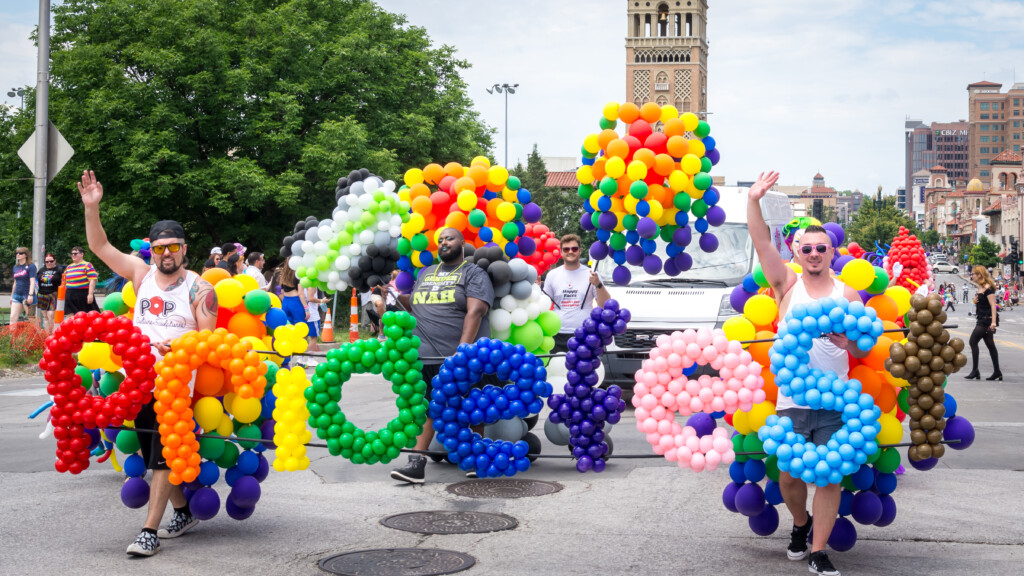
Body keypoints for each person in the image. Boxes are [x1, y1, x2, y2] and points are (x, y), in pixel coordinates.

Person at [77, 170, 218, 557]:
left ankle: (148, 532)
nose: (166, 254)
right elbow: (100, 246)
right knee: (151, 451)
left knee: (162, 455)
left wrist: (177, 347)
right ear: (151, 251)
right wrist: (92, 208)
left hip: (174, 383)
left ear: (184, 249)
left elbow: (208, 342)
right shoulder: (141, 274)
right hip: (137, 379)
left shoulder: (201, 289)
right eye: (159, 248)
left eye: (173, 247)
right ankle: (184, 511)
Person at [748, 171, 868, 576]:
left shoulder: (847, 295)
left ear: (832, 252)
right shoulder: (785, 285)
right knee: (789, 475)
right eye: (807, 248)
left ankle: (818, 551)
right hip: (793, 401)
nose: (814, 253)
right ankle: (800, 523)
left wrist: (846, 344)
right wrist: (753, 200)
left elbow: (861, 346)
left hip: (835, 400)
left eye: (821, 247)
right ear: (797, 253)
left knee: (831, 478)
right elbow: (762, 241)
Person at [390, 228, 493, 484]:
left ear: (462, 243)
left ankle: (474, 459)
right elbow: (415, 302)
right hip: (423, 354)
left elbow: (476, 311)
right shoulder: (426, 272)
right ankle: (418, 463)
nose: (443, 242)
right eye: (440, 240)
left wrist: (463, 352)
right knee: (427, 407)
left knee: (472, 408)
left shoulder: (473, 273)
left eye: (449, 238)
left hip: (458, 355)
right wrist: (391, 297)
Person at [542, 234, 611, 352]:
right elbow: (544, 304)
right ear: (561, 252)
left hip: (585, 332)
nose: (570, 252)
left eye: (574, 249)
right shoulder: (552, 275)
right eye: (566, 249)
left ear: (579, 251)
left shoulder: (592, 274)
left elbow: (605, 305)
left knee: (584, 369)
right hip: (557, 334)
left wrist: (598, 284)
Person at [965, 266, 1001, 381]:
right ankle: (997, 372)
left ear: (979, 275)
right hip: (981, 317)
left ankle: (975, 371)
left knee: (973, 341)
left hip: (986, 320)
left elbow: (993, 306)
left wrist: (994, 322)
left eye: (973, 274)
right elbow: (979, 308)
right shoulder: (980, 288)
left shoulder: (988, 288)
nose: (972, 276)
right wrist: (975, 302)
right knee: (990, 345)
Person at [63, 246, 100, 315]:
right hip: (69, 293)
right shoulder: (69, 267)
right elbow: (64, 280)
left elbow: (92, 280)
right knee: (70, 316)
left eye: (75, 253)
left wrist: (90, 294)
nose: (73, 255)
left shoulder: (87, 265)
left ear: (82, 254)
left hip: (82, 294)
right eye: (72, 254)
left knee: (85, 315)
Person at [35, 253, 64, 332]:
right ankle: (47, 334)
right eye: (47, 262)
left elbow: (64, 282)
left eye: (51, 261)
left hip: (53, 293)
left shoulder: (59, 270)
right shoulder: (41, 270)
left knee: (51, 314)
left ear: (55, 261)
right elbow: (36, 281)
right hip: (42, 294)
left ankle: (54, 333)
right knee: (45, 316)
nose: (49, 263)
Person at [9, 247, 37, 325]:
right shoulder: (15, 267)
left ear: (26, 255)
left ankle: (39, 336)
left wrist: (30, 295)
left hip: (28, 296)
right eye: (17, 253)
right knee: (12, 318)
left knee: (32, 319)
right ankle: (11, 337)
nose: (18, 254)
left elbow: (32, 281)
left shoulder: (31, 266)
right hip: (17, 295)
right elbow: (15, 282)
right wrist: (11, 296)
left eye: (20, 253)